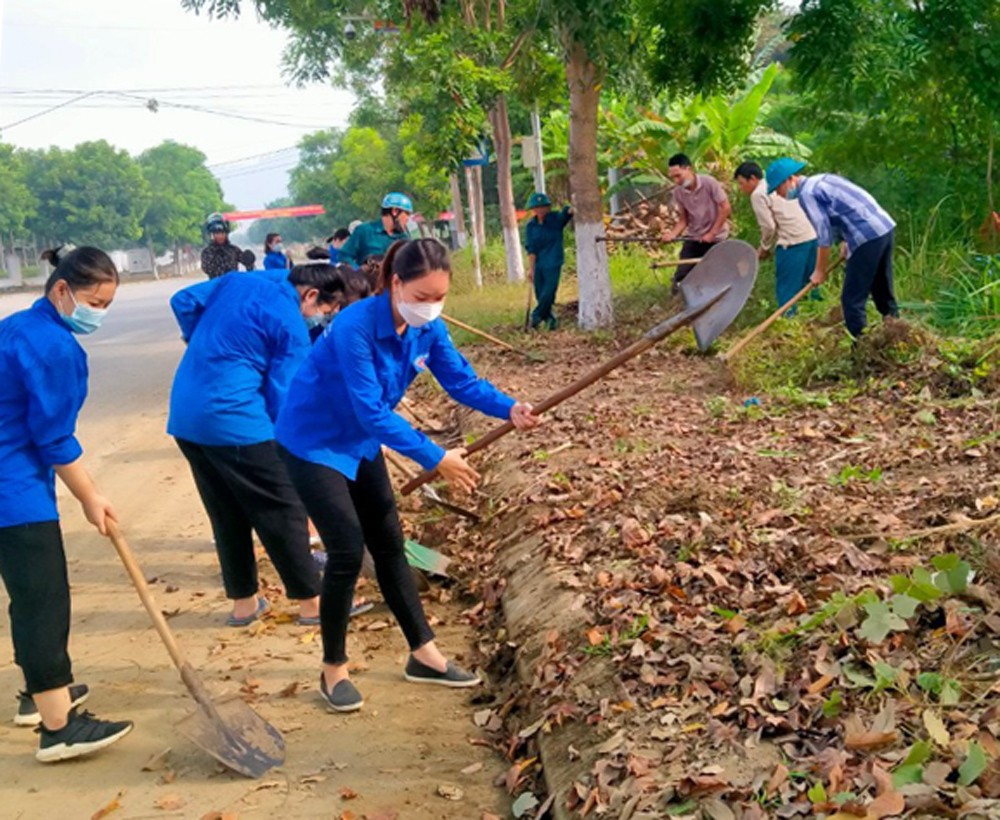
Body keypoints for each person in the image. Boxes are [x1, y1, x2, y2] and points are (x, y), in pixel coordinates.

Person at [274, 239, 540, 713]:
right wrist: (436, 456)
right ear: (396, 284)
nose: (430, 307)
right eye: (421, 297)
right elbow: (372, 410)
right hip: (313, 442)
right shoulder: (355, 326)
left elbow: (461, 381)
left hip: (358, 442)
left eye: (439, 297)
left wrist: (509, 408)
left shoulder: (428, 328)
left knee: (390, 542)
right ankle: (332, 667)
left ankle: (424, 654)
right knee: (346, 549)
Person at [0, 245, 133, 762]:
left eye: (107, 304)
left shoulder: (18, 325)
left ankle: (38, 696)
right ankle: (58, 727)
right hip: (13, 489)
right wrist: (91, 497)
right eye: (95, 303)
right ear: (61, 290)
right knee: (42, 601)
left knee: (28, 594)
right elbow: (53, 438)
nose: (99, 314)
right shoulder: (56, 348)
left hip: (13, 479)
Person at [168, 264, 348, 627]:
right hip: (234, 419)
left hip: (186, 415)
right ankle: (314, 605)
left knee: (226, 511)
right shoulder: (291, 324)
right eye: (325, 312)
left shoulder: (239, 280)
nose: (321, 320)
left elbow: (183, 300)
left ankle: (244, 606)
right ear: (311, 295)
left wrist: (197, 338)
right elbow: (284, 398)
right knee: (283, 508)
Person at [766, 158, 899, 337]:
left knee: (851, 301)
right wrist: (844, 241)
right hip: (883, 228)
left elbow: (823, 232)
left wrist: (819, 270)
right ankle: (897, 334)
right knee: (882, 289)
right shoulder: (822, 180)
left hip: (865, 235)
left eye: (778, 189)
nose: (778, 195)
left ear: (790, 179)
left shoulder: (807, 194)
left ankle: (861, 348)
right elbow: (840, 210)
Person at [734, 161, 819, 315]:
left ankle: (788, 321)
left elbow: (769, 227)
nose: (741, 188)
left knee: (787, 288)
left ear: (752, 178)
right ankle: (817, 317)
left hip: (793, 242)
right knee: (812, 282)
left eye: (741, 183)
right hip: (812, 236)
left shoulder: (758, 194)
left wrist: (764, 248)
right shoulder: (780, 180)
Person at [660, 154, 731, 286]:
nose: (677, 181)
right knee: (681, 278)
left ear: (689, 169)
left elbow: (725, 208)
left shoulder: (709, 183)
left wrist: (712, 233)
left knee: (715, 277)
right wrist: (672, 235)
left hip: (716, 239)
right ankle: (680, 303)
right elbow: (683, 220)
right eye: (673, 178)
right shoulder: (678, 192)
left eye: (679, 176)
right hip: (694, 238)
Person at [524, 192, 573, 330]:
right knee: (540, 294)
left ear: (548, 207)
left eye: (543, 206)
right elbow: (531, 248)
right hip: (539, 264)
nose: (540, 210)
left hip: (553, 262)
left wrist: (571, 208)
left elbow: (567, 213)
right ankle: (551, 320)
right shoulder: (531, 226)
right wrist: (531, 269)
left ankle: (535, 316)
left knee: (549, 292)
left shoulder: (555, 219)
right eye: (537, 207)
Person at [337, 193, 413, 268]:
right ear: (395, 211)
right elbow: (344, 256)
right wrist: (359, 272)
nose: (408, 219)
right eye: (407, 214)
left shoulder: (404, 239)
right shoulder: (364, 231)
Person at [200, 213, 244, 279]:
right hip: (217, 286)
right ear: (212, 235)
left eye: (223, 233)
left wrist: (249, 260)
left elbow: (248, 266)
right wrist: (216, 256)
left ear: (226, 234)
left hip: (232, 285)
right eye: (217, 233)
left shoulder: (234, 250)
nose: (220, 236)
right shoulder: (207, 252)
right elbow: (207, 269)